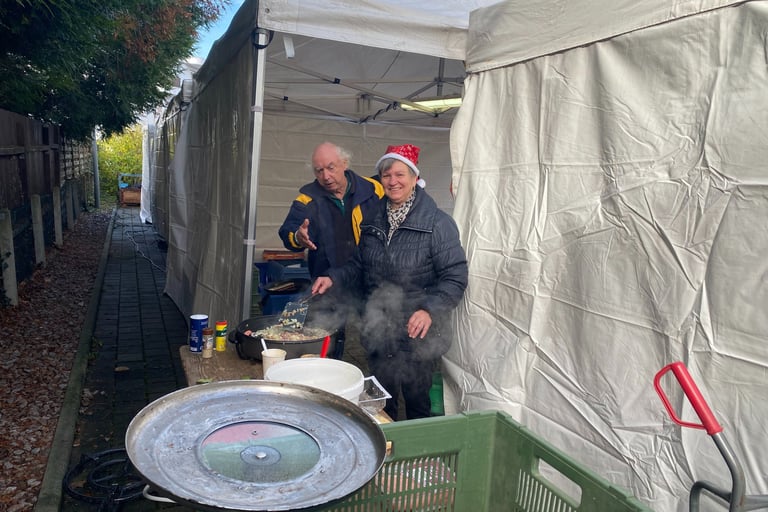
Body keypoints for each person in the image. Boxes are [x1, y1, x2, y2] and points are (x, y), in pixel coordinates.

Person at [312, 143, 468, 420]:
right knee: (381, 401)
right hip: (379, 327)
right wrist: (332, 277)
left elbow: (455, 276)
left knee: (417, 403)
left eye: (399, 174)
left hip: (418, 334)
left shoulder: (437, 224)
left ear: (414, 178)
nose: (392, 181)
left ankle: (419, 444)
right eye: (386, 175)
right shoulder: (373, 219)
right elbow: (359, 264)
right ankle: (387, 443)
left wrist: (428, 310)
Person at [278, 142, 384, 358]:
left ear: (345, 163)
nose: (325, 176)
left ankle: (375, 371)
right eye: (319, 170)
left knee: (375, 336)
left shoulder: (373, 190)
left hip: (368, 278)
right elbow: (287, 231)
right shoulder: (307, 199)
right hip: (327, 281)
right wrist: (298, 237)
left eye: (330, 168)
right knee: (328, 339)